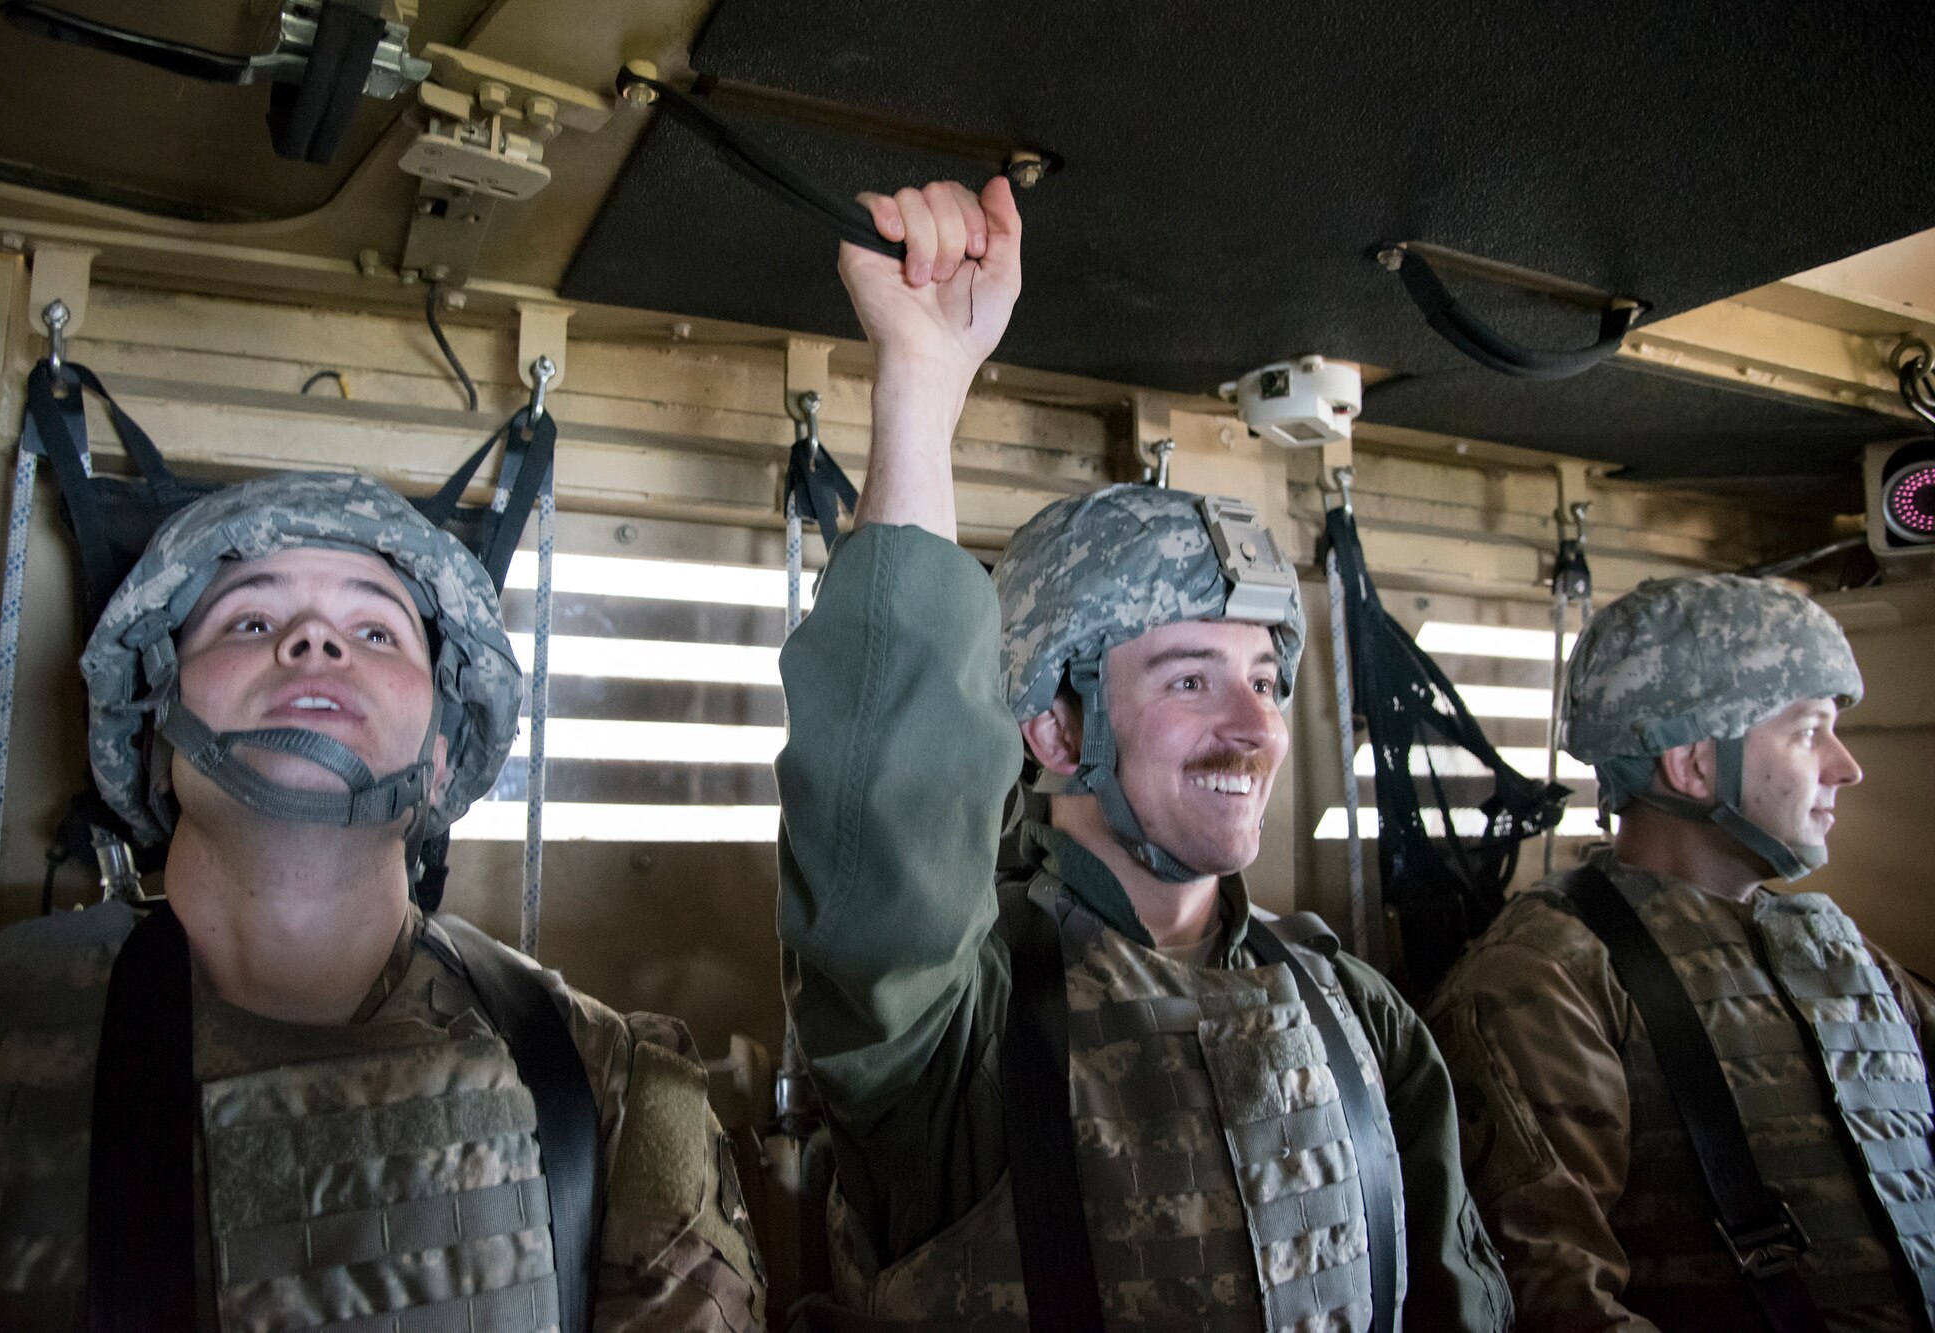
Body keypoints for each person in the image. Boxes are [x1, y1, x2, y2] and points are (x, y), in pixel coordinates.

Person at [775, 176, 1510, 1329]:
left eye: (1264, 680)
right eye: (1187, 678)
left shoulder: (1361, 1018)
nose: (1257, 725)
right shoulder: (954, 1027)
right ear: (1054, 726)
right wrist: (921, 384)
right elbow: (888, 807)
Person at [0, 472, 765, 1331]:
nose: (312, 642)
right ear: (154, 731)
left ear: (441, 756)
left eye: (373, 629)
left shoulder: (607, 1088)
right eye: (250, 621)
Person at [1427, 573, 1935, 1330]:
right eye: (1807, 730)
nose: (1844, 766)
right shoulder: (1545, 976)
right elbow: (1552, 1299)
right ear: (1694, 762)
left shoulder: (1840, 948)